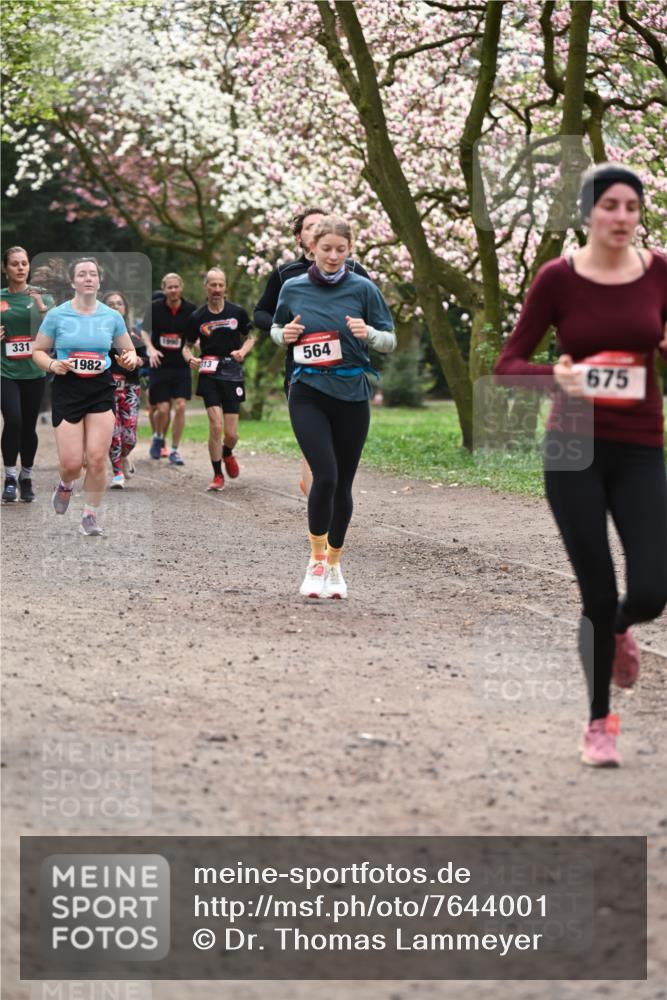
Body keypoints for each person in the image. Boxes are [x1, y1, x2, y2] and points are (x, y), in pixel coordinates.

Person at [495, 162, 667, 768]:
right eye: (610, 206)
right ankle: (600, 723)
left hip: (642, 444)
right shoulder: (558, 278)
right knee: (597, 591)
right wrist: (556, 376)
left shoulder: (661, 271)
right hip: (574, 446)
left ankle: (624, 626)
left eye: (632, 207)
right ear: (588, 212)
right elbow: (508, 363)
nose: (623, 217)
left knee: (651, 589)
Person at [271, 215, 396, 599]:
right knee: (324, 474)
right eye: (326, 249)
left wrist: (368, 333)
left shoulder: (364, 288)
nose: (333, 256)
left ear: (350, 250)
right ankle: (316, 561)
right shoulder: (292, 287)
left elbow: (389, 340)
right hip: (308, 390)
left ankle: (336, 565)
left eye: (341, 250)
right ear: (312, 247)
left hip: (352, 394)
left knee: (343, 484)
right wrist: (285, 336)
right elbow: (276, 328)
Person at [254, 207, 372, 495]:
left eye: (323, 224)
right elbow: (260, 314)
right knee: (315, 447)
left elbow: (375, 313)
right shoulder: (285, 274)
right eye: (310, 226)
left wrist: (361, 330)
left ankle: (324, 497)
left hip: (346, 373)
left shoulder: (355, 271)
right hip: (301, 371)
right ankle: (318, 509)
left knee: (338, 448)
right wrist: (285, 331)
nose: (318, 230)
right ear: (300, 236)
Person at [32, 257, 139, 536]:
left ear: (99, 281)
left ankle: (90, 515)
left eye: (93, 274)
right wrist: (53, 364)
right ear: (73, 282)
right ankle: (66, 485)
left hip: (100, 389)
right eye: (82, 274)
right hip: (68, 389)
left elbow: (129, 352)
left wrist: (129, 359)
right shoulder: (57, 315)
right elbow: (38, 351)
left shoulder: (111, 317)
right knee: (71, 465)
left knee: (96, 457)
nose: (88, 278)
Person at [183, 268, 255, 491]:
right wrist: (190, 359)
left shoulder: (237, 312)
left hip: (232, 373)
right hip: (209, 373)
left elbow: (251, 338)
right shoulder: (197, 317)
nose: (216, 289)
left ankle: (227, 452)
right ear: (206, 287)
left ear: (225, 288)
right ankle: (217, 475)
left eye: (220, 285)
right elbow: (186, 347)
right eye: (212, 285)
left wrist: (243, 351)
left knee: (231, 434)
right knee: (215, 426)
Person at [1, 247, 53, 502]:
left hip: (34, 370)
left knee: (28, 426)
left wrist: (42, 307)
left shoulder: (43, 297)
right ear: (5, 269)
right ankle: (10, 476)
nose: (20, 268)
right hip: (5, 370)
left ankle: (27, 476)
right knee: (13, 420)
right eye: (14, 264)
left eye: (24, 263)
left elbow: (54, 328)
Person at [140, 273, 195, 464]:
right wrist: (151, 348)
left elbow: (194, 336)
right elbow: (144, 331)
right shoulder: (154, 308)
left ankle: (174, 450)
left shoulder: (190, 310)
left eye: (176, 287)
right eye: (169, 287)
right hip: (159, 364)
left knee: (180, 406)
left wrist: (192, 351)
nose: (173, 290)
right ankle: (158, 436)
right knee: (162, 409)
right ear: (164, 289)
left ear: (181, 287)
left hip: (180, 366)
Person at [102, 290, 146, 489]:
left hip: (130, 387)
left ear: (125, 308)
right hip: (106, 388)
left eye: (119, 303)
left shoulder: (134, 334)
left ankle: (125, 455)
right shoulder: (98, 333)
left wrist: (137, 360)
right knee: (114, 431)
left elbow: (145, 359)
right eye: (110, 304)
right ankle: (117, 471)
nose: (115, 307)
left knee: (129, 436)